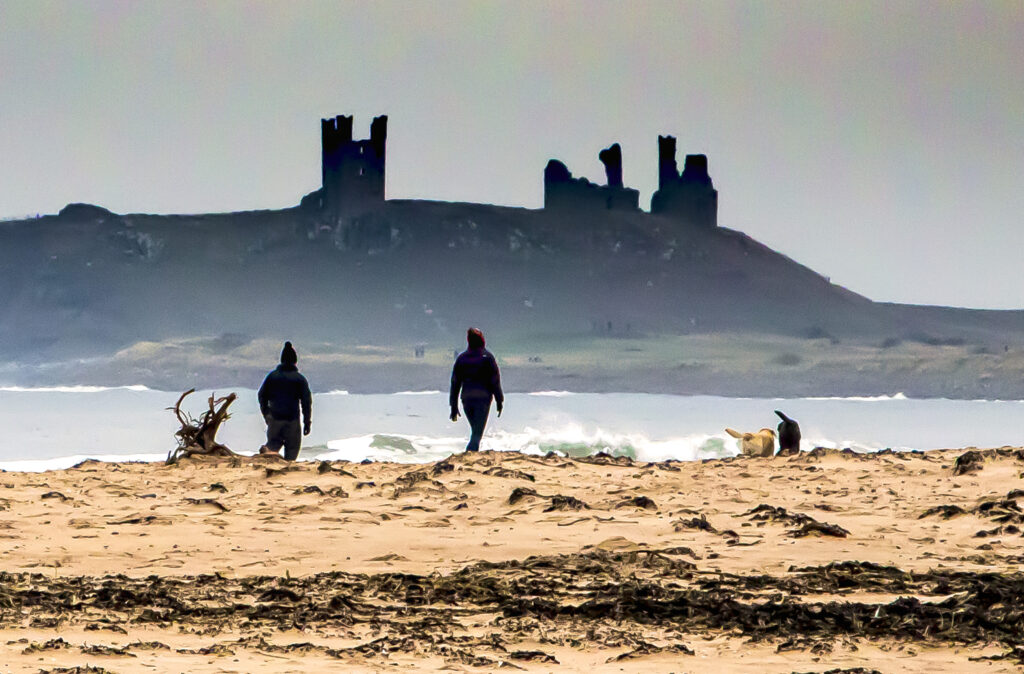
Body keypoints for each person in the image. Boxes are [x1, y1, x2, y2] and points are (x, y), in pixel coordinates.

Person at [449, 328, 504, 452]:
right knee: (477, 433)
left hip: (467, 400)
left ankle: (471, 456)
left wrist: (453, 406)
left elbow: (455, 383)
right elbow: (495, 381)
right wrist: (499, 400)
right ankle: (469, 456)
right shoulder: (487, 358)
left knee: (475, 431)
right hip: (483, 399)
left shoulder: (461, 359)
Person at [258, 341, 312, 461]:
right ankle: (287, 472)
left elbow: (261, 395)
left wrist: (266, 414)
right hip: (292, 421)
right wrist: (307, 421)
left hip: (274, 420)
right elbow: (306, 402)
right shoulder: (299, 379)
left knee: (272, 447)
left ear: (282, 360)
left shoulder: (272, 376)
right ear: (295, 361)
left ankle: (269, 468)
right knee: (292, 451)